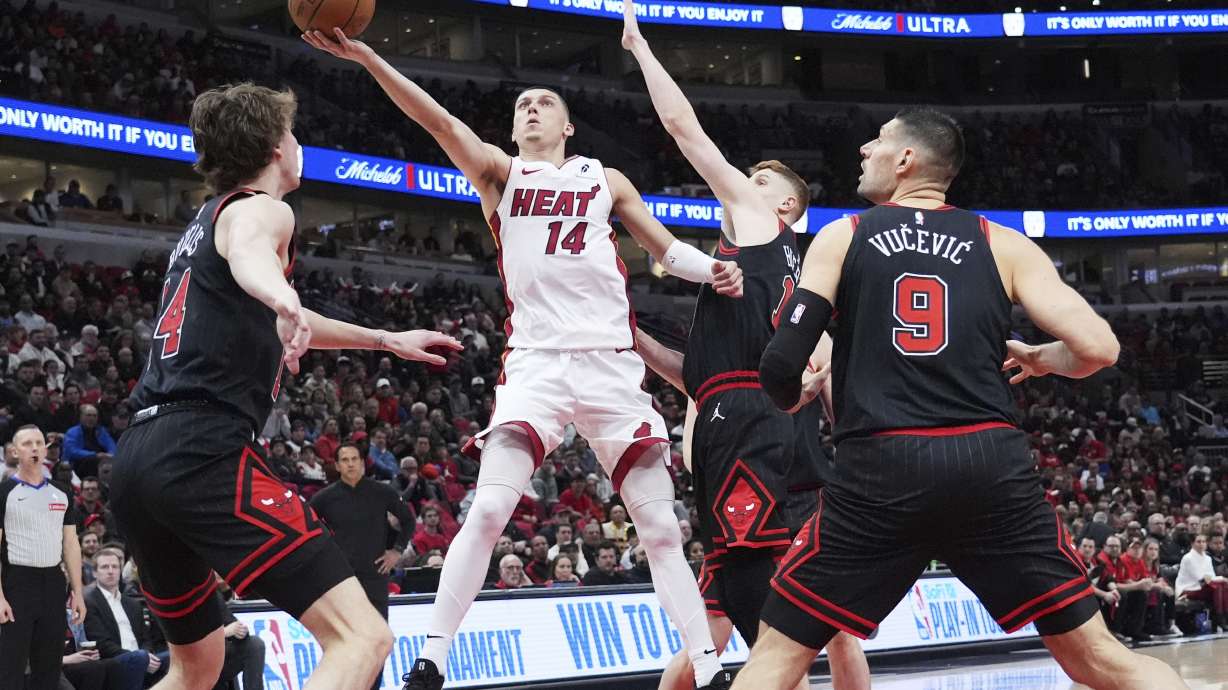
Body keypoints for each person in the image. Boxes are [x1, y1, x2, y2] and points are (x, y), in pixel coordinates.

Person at [304, 26, 743, 690]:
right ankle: (431, 660)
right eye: (522, 106)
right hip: (537, 362)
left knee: (660, 527)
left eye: (544, 103)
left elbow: (666, 251)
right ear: (513, 131)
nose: (532, 109)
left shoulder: (606, 179)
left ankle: (708, 670)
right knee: (486, 511)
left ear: (568, 126)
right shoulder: (501, 173)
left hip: (609, 363)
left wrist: (714, 270)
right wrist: (368, 58)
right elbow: (439, 122)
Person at [741, 108, 1185, 690]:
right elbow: (1100, 348)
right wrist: (1040, 357)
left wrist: (791, 398)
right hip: (989, 466)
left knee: (776, 657)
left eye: (878, 140)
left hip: (882, 467)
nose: (865, 149)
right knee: (1100, 660)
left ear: (906, 159)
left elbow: (780, 364)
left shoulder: (844, 235)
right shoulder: (1003, 243)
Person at [108, 83, 460, 690]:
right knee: (363, 638)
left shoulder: (205, 221)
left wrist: (383, 338)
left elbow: (264, 290)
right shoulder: (263, 209)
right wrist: (281, 296)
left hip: (139, 458)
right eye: (293, 134)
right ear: (275, 147)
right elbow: (254, 260)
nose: (300, 145)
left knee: (196, 667)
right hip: (202, 451)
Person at [622, 7, 867, 687]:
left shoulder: (760, 223)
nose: (743, 184)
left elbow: (685, 130)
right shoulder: (790, 276)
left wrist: (640, 48)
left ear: (784, 208)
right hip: (738, 414)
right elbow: (702, 376)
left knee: (765, 612)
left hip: (743, 425)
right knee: (763, 611)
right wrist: (633, 338)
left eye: (760, 182)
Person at [0, 425, 88, 690]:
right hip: (17, 582)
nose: (35, 448)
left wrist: (78, 592)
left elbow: (71, 544)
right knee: (11, 665)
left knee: (49, 665)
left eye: (39, 442)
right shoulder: (4, 492)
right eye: (27, 443)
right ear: (14, 451)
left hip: (53, 581)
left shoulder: (62, 492)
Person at [309, 444, 416, 627]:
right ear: (337, 466)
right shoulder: (324, 498)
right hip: (342, 577)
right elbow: (307, 529)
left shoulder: (381, 491)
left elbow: (408, 520)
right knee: (348, 633)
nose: (350, 464)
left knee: (379, 633)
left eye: (354, 459)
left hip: (375, 574)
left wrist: (397, 551)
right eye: (345, 460)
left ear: (362, 463)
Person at [83, 547, 169, 688]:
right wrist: (141, 658)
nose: (111, 571)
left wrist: (147, 655)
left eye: (115, 567)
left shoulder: (132, 603)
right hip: (115, 662)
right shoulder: (90, 602)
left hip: (143, 658)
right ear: (94, 573)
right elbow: (102, 644)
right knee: (140, 657)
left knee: (174, 659)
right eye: (105, 567)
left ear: (120, 570)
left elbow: (146, 638)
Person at [1175, 533, 1228, 631]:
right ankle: (1220, 620)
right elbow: (1201, 578)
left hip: (1203, 587)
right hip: (1188, 589)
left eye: (1203, 542)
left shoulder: (1208, 558)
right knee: (1219, 586)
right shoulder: (1188, 558)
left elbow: (1211, 577)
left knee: (1222, 585)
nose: (1201, 544)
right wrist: (1221, 578)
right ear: (1192, 544)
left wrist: (1220, 579)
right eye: (1198, 542)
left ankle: (1223, 618)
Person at [62, 405, 116, 479]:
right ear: (81, 417)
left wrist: (110, 455)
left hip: (99, 462)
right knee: (92, 461)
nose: (91, 418)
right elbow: (72, 451)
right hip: (77, 465)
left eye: (94, 416)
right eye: (88, 415)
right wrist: (94, 455)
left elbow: (111, 445)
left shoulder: (100, 431)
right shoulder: (72, 432)